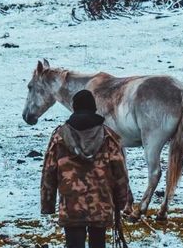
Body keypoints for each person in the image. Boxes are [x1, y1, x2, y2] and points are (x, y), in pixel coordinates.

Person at [40, 89, 130, 248]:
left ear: (74, 108)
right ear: (94, 109)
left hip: (71, 206)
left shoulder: (59, 136)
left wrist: (48, 204)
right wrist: (122, 201)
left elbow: (49, 171)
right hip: (100, 206)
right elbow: (119, 171)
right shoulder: (108, 136)